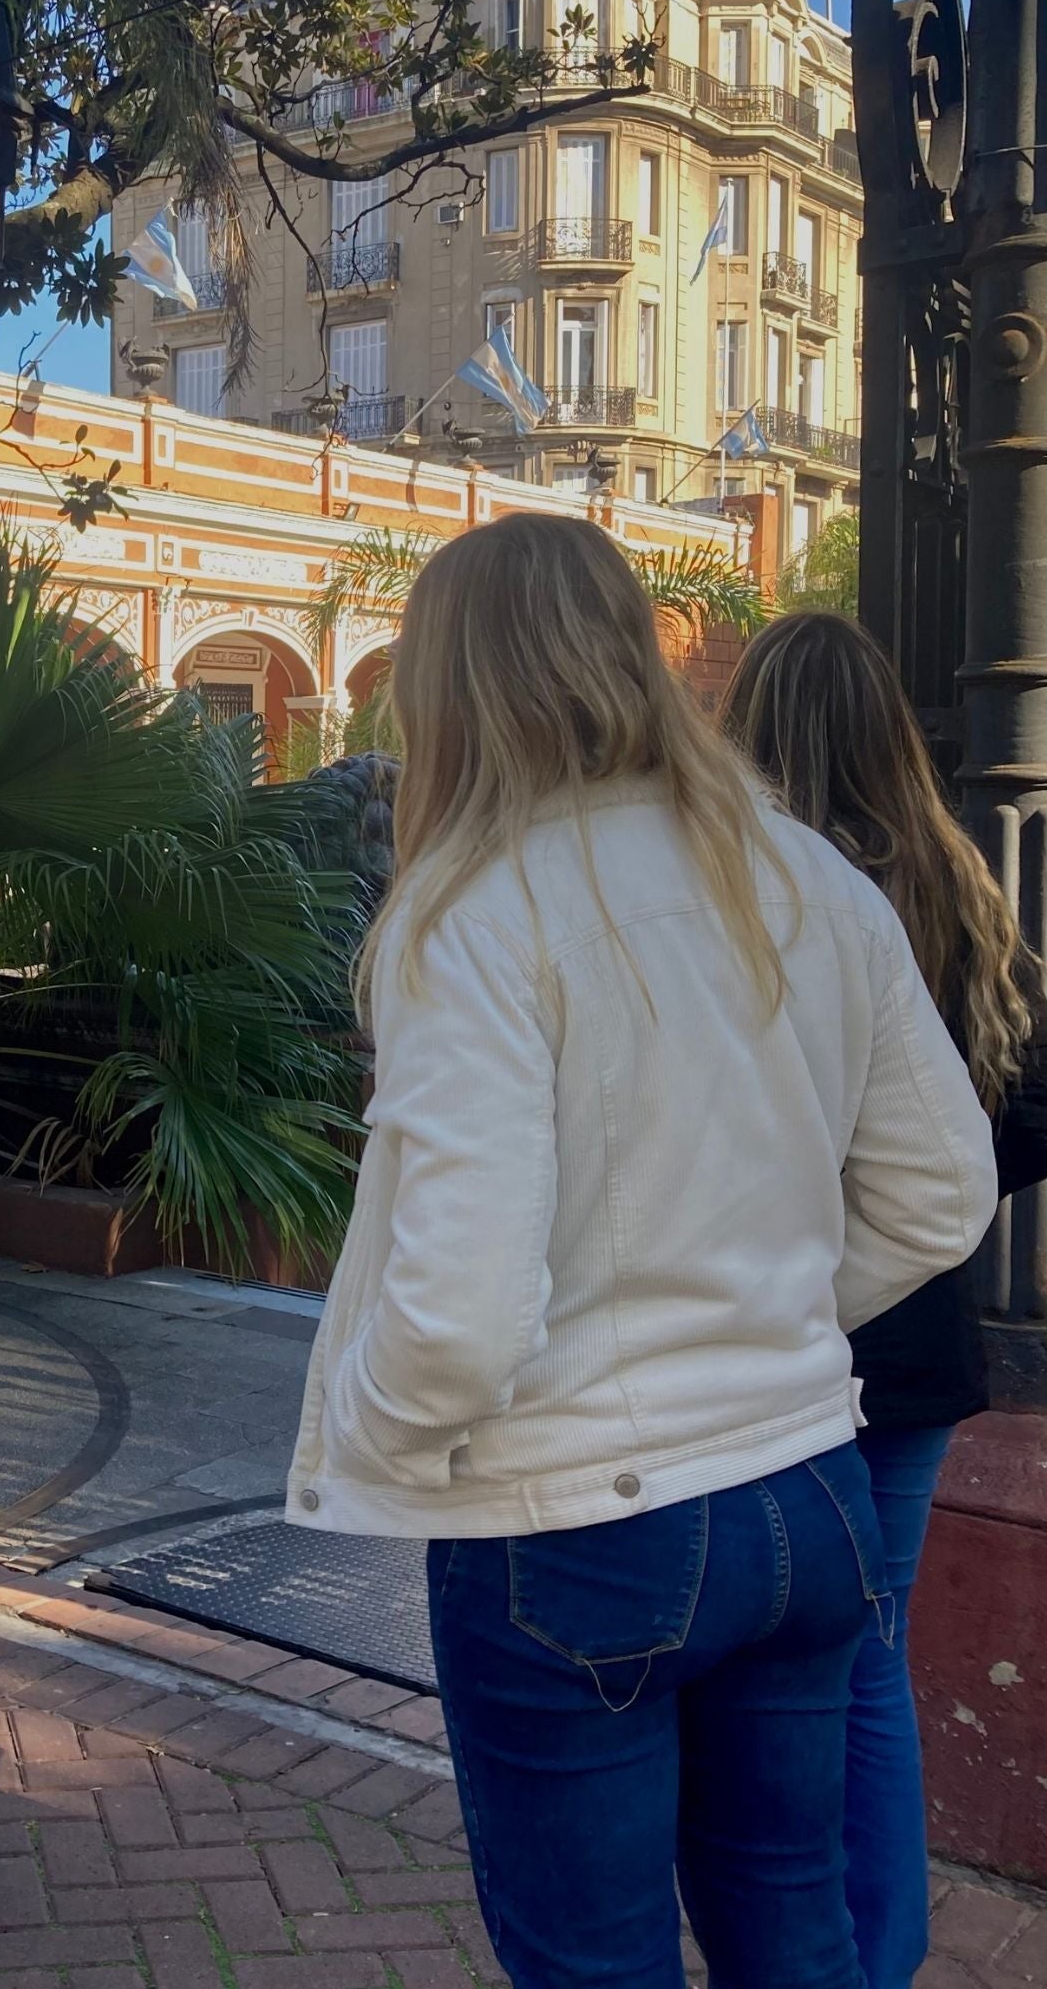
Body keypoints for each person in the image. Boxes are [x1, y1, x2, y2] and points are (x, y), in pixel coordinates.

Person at [287, 515, 998, 1989]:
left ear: (453, 688)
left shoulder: (476, 914)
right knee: (797, 1931)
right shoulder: (811, 879)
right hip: (805, 1486)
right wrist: (786, 1314)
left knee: (595, 1961)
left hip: (578, 1525)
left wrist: (373, 1431)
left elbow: (461, 1315)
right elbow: (944, 1194)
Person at [723, 608, 1047, 1989]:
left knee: (765, 1662)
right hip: (915, 1336)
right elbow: (1030, 1101)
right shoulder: (953, 878)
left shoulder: (745, 890)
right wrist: (941, 1175)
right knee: (869, 1655)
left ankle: (806, 1942)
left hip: (768, 1329)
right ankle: (877, 1948)